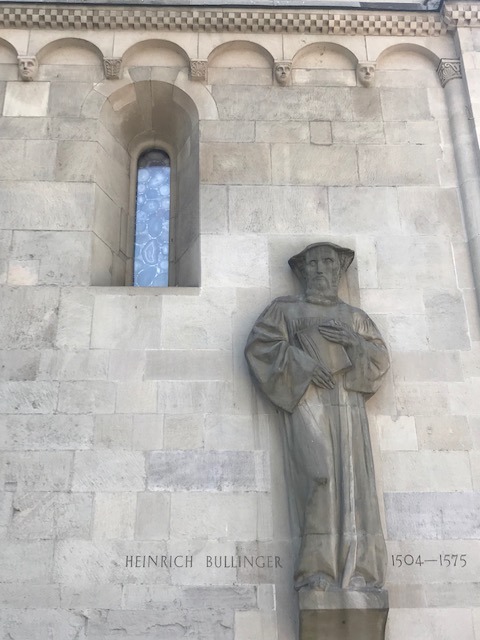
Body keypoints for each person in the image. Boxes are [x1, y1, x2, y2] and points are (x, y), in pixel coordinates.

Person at [245, 242, 389, 592]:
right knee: (318, 477)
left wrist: (354, 342)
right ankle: (316, 571)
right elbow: (261, 347)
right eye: (313, 263)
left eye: (328, 262)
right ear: (303, 271)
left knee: (355, 485)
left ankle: (362, 573)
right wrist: (304, 363)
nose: (320, 269)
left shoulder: (355, 317)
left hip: (349, 409)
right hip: (308, 405)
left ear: (339, 270)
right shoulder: (284, 311)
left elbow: (378, 359)